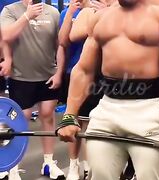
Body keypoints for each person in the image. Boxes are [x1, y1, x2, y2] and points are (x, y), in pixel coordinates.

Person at [56, 0, 159, 180]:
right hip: (107, 109)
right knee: (100, 176)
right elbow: (84, 69)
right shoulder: (102, 17)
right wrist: (69, 114)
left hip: (148, 111)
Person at [0, 0, 65, 179]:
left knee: (47, 116)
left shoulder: (53, 12)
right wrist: (27, 16)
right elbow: (6, 36)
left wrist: (59, 72)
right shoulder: (10, 10)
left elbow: (59, 45)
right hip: (21, 77)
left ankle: (49, 162)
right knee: (20, 123)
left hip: (48, 75)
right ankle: (13, 168)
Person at [58, 0, 117, 179]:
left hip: (103, 73)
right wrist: (88, 16)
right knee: (73, 121)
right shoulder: (77, 12)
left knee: (95, 123)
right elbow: (66, 39)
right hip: (76, 72)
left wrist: (106, 13)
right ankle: (74, 165)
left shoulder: (111, 9)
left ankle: (90, 165)